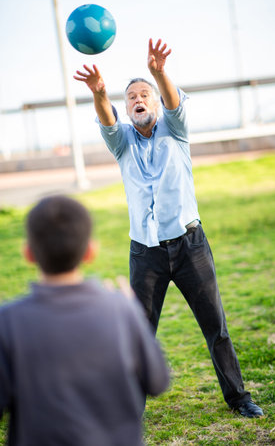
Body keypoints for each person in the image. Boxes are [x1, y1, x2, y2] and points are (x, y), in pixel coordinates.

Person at [74, 38, 263, 418]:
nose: (138, 100)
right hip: (146, 253)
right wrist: (98, 93)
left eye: (145, 94)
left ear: (156, 103)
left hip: (190, 245)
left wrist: (159, 73)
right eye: (131, 98)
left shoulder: (175, 130)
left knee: (217, 327)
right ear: (127, 108)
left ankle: (239, 398)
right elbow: (107, 121)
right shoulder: (122, 143)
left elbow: (174, 101)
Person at [0, 195, 169, 446]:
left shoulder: (8, 322)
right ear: (91, 251)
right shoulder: (121, 310)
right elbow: (158, 381)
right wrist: (132, 311)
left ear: (28, 253)